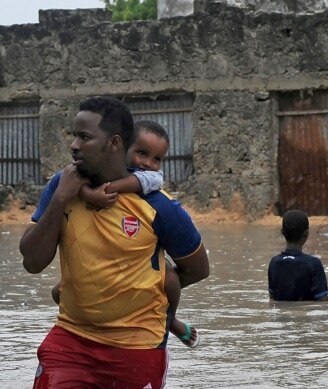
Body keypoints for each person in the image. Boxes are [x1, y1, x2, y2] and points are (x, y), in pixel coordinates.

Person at [19, 96, 209, 389]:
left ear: (114, 143)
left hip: (137, 347)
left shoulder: (159, 206)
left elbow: (197, 268)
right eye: (74, 136)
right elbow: (31, 262)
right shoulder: (63, 187)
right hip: (70, 340)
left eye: (85, 137)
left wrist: (141, 291)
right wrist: (59, 200)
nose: (74, 145)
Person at [49, 119, 199, 347]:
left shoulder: (152, 183)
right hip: (92, 270)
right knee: (58, 291)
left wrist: (105, 191)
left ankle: (170, 319)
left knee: (168, 276)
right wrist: (89, 195)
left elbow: (140, 180)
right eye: (141, 153)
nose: (148, 163)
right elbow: (74, 178)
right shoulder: (93, 169)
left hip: (135, 273)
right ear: (121, 147)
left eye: (157, 159)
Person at [268, 209, 328, 301]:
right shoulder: (313, 264)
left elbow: (272, 298)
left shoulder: (274, 263)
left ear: (282, 232)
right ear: (306, 233)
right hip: (306, 313)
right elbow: (323, 301)